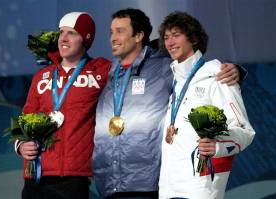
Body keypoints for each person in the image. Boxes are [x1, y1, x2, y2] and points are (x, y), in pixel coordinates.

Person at [93, 8, 244, 199]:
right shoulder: (106, 72)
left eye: (120, 31)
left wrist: (235, 71)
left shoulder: (163, 66)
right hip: (109, 183)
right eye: (111, 32)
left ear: (139, 35)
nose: (112, 38)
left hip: (146, 183)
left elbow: (197, 70)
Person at [158, 11, 255, 199]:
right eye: (166, 37)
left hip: (200, 188)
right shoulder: (177, 82)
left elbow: (245, 130)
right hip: (169, 187)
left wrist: (217, 145)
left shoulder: (217, 76)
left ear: (193, 38)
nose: (169, 43)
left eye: (176, 35)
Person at [15, 12, 111, 199]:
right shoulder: (42, 76)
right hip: (35, 174)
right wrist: (20, 145)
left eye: (72, 33)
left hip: (72, 179)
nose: (63, 39)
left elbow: (128, 63)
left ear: (86, 39)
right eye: (61, 33)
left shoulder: (100, 71)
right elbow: (25, 116)